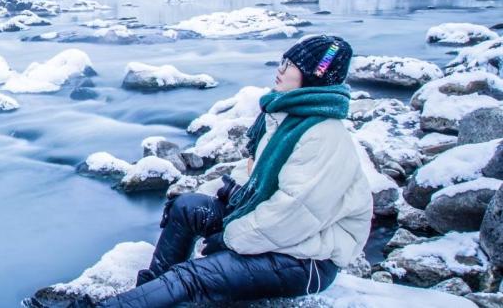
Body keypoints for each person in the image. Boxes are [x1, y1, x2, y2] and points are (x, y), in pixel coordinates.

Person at [94, 34, 373, 307]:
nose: (280, 69)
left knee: (192, 278)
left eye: (290, 65)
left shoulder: (323, 135)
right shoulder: (288, 119)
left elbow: (292, 214)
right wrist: (215, 193)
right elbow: (254, 174)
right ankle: (150, 292)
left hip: (306, 259)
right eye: (282, 61)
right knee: (186, 207)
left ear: (314, 76)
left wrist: (230, 239)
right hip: (282, 236)